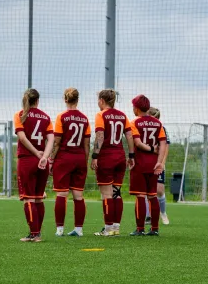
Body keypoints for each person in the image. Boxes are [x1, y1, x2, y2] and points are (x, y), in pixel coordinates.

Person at [90, 89, 135, 237]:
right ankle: (115, 227)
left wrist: (95, 155)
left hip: (106, 157)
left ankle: (108, 228)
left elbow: (100, 135)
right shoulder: (122, 115)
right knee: (116, 192)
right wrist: (131, 155)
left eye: (98, 100)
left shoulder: (101, 115)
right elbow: (129, 135)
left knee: (107, 194)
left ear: (102, 100)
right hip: (120, 157)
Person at [49, 88, 91, 237]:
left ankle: (59, 230)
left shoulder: (61, 117)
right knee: (78, 196)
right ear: (77, 100)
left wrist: (51, 159)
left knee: (62, 194)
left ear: (65, 99)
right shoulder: (85, 118)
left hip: (64, 158)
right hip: (79, 158)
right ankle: (79, 229)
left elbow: (57, 142)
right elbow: (87, 144)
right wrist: (84, 161)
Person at [14, 88, 54, 242]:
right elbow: (50, 139)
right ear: (38, 100)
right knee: (38, 198)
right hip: (43, 162)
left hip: (27, 160)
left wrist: (36, 153)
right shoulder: (46, 117)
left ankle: (34, 234)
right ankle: (37, 233)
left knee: (28, 199)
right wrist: (45, 156)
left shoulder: (20, 115)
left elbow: (22, 138)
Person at [129, 95, 167, 236]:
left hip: (139, 163)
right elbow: (163, 143)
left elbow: (138, 143)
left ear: (136, 108)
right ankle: (155, 229)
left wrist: (150, 149)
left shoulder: (134, 122)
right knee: (152, 195)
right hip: (153, 164)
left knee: (140, 196)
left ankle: (140, 229)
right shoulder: (158, 124)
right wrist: (160, 161)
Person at [144, 107, 171, 225]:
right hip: (146, 162)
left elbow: (166, 148)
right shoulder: (143, 127)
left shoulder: (162, 129)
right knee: (145, 190)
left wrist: (162, 163)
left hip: (158, 162)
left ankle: (163, 212)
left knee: (159, 189)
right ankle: (148, 217)